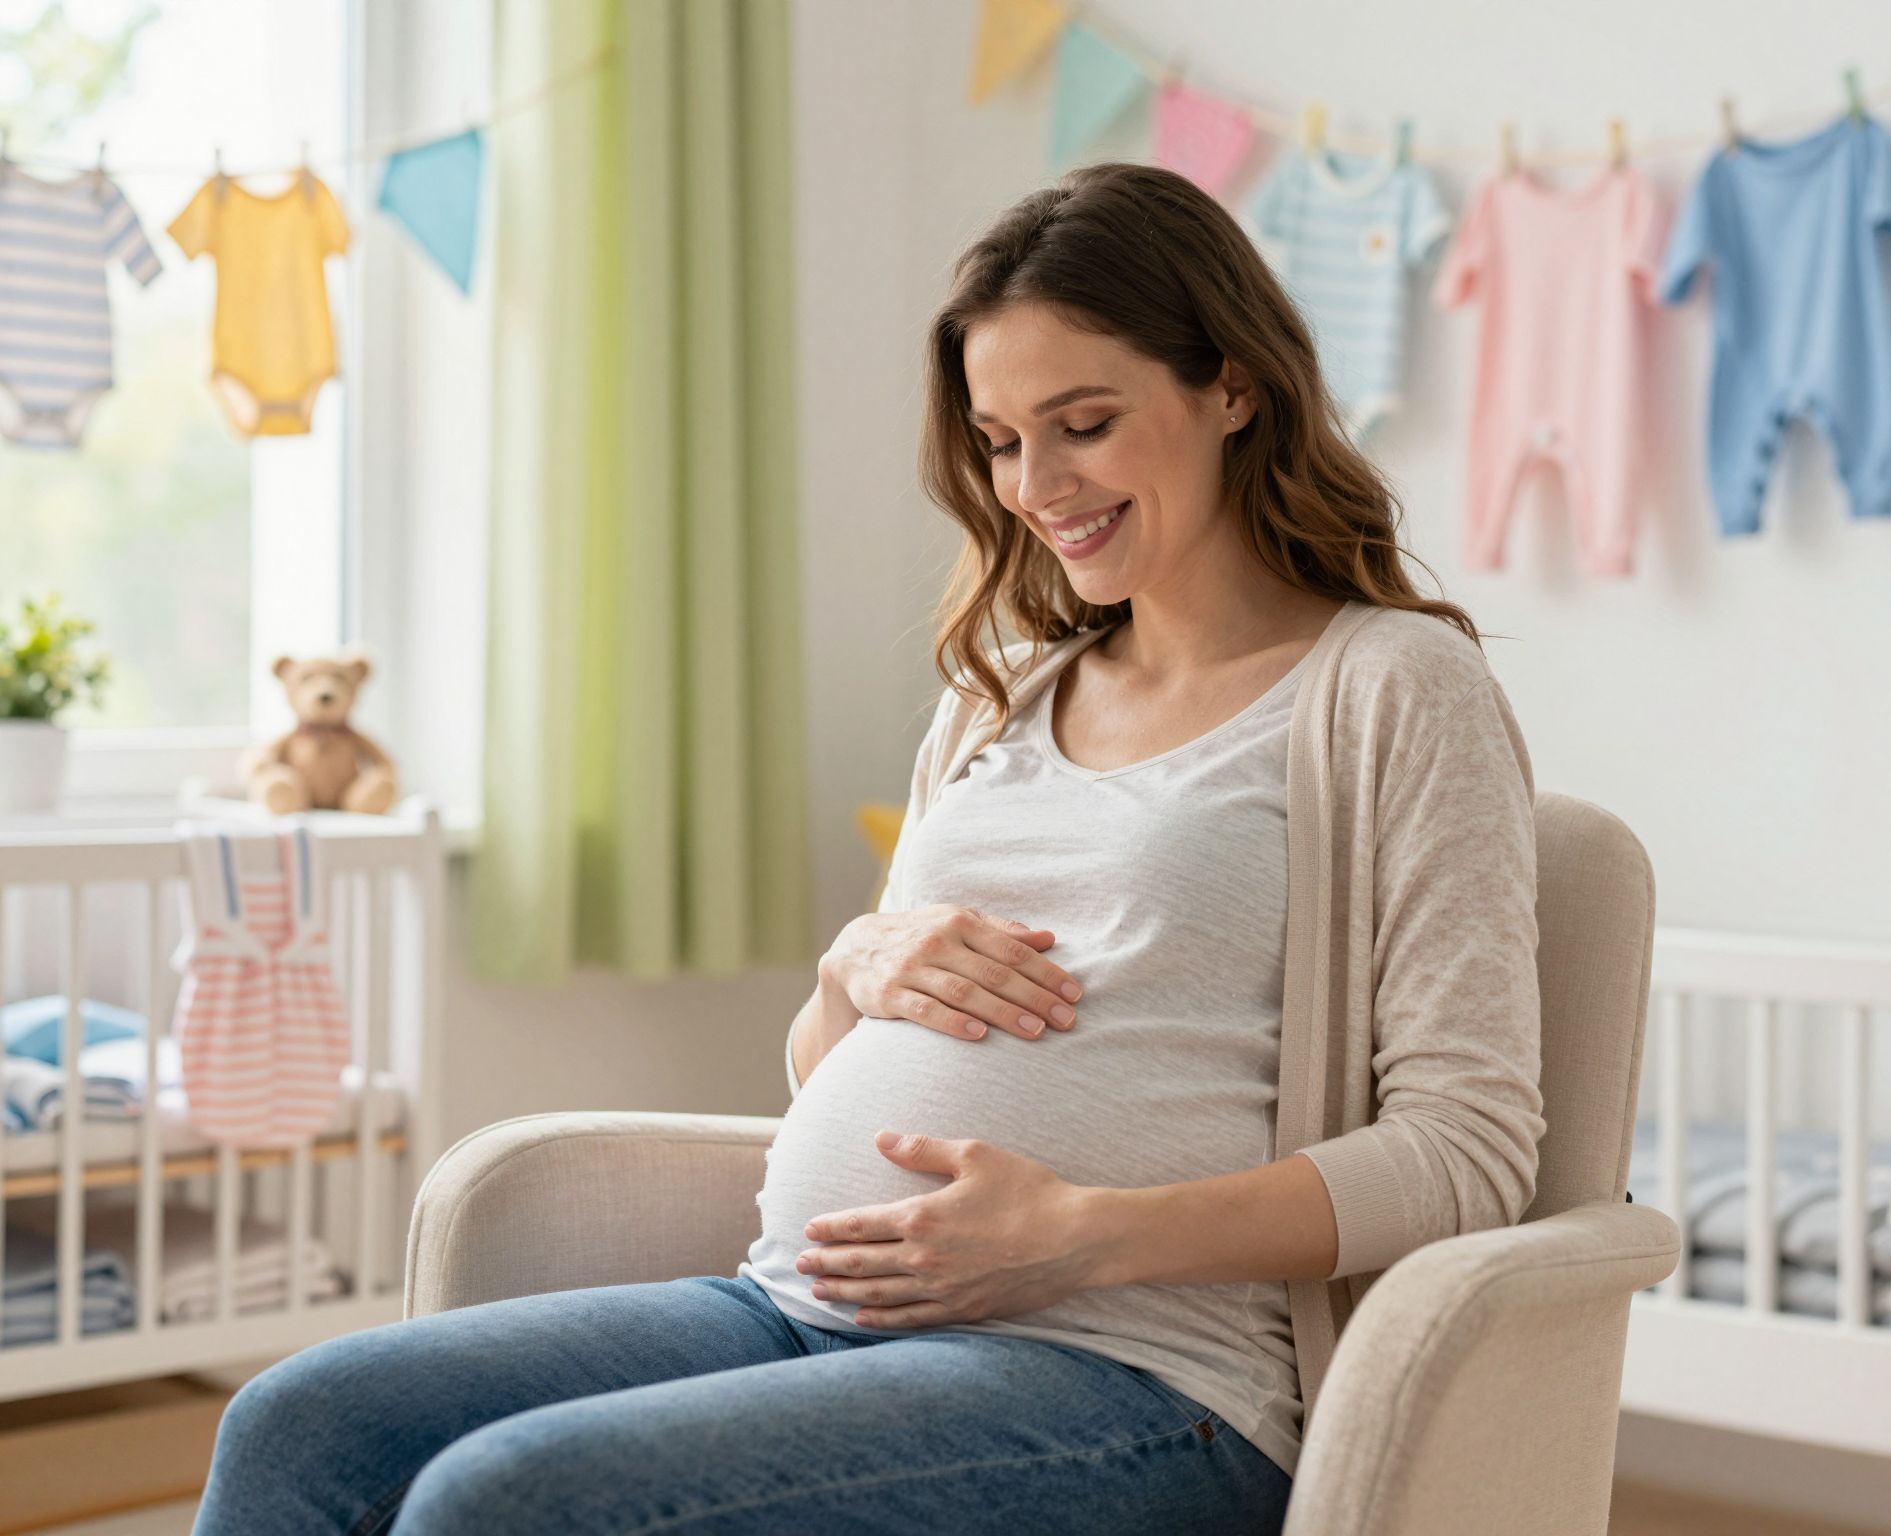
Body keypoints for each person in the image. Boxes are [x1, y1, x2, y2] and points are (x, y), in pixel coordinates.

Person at [192, 159, 1543, 1536]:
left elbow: (1466, 1150)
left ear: (1233, 388)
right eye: (1004, 439)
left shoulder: (1389, 689)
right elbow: (828, 1070)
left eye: (1083, 423)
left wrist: (1083, 1233)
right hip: (794, 1306)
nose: (1036, 485)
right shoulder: (996, 695)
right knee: (302, 1424)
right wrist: (850, 975)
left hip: (1139, 1376)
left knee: (508, 1502)